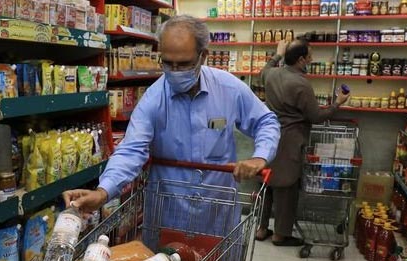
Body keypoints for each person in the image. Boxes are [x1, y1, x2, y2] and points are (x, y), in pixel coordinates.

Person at [63, 15, 280, 236]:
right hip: (168, 214)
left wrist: (259, 157)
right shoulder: (154, 98)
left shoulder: (228, 88)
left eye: (184, 64)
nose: (175, 72)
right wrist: (103, 191)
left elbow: (266, 121)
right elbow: (131, 150)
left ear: (203, 56)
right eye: (167, 63)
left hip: (217, 213)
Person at [257, 39, 350, 246]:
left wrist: (277, 53)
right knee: (287, 188)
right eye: (310, 55)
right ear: (301, 60)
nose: (312, 59)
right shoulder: (300, 83)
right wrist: (337, 103)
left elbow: (264, 70)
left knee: (267, 184)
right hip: (290, 140)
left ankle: (262, 228)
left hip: (268, 137)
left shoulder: (272, 74)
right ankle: (281, 235)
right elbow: (316, 116)